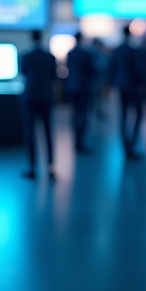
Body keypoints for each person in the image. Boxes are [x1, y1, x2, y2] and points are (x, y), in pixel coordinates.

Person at [20, 30, 57, 179]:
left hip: (30, 97)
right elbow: (54, 76)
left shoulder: (26, 56)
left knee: (30, 133)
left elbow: (23, 72)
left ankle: (32, 167)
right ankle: (50, 167)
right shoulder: (50, 57)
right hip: (46, 96)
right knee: (48, 132)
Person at [110, 26, 145, 158]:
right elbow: (139, 69)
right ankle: (131, 143)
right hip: (133, 86)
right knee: (138, 114)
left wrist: (112, 84)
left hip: (121, 86)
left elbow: (112, 68)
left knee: (123, 116)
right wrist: (143, 83)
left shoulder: (117, 50)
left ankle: (125, 146)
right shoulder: (133, 50)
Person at [65, 33, 95, 152]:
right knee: (82, 114)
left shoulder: (70, 54)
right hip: (84, 87)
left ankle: (76, 139)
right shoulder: (86, 54)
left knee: (75, 113)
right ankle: (80, 141)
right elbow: (91, 70)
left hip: (72, 87)